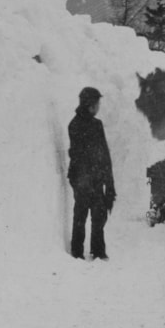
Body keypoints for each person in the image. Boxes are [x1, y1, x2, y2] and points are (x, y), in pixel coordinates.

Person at [67, 86, 116, 260]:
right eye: (97, 103)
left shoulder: (95, 124)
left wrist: (108, 182)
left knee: (98, 215)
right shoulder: (76, 125)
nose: (99, 106)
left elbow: (104, 153)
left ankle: (97, 250)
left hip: (93, 178)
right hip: (83, 178)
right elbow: (80, 155)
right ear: (90, 105)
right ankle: (78, 252)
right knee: (82, 214)